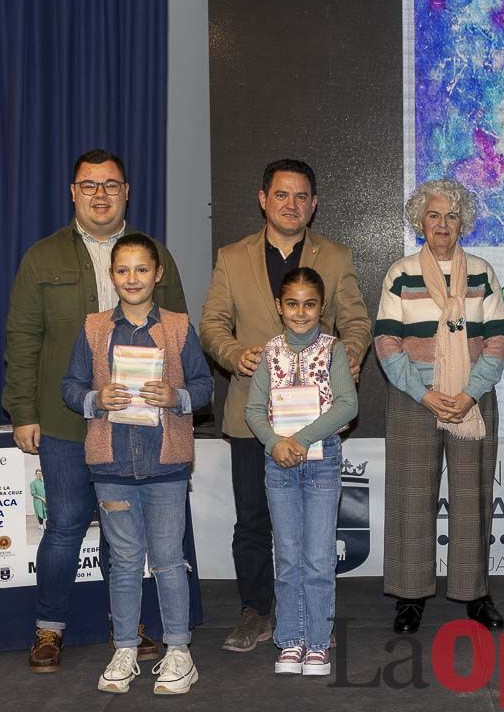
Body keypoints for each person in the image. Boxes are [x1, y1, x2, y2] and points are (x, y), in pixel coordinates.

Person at [4, 149, 187, 672]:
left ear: (127, 191)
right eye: (89, 185)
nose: (100, 194)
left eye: (111, 184)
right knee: (63, 525)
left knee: (124, 533)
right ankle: (48, 629)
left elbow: (177, 332)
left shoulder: (155, 254)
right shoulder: (42, 257)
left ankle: (125, 630)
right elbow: (22, 338)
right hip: (64, 420)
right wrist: (21, 411)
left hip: (135, 426)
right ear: (73, 192)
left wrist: (173, 404)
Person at [200, 159, 372, 653]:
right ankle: (256, 612)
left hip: (317, 420)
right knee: (253, 519)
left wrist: (350, 355)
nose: (291, 205)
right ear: (263, 199)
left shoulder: (336, 256)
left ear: (313, 204)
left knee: (311, 531)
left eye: (301, 197)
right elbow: (211, 323)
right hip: (253, 415)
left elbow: (357, 321)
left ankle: (311, 622)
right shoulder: (232, 257)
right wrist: (236, 355)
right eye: (281, 195)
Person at [61, 233, 213, 694]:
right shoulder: (93, 329)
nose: (132, 278)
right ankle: (125, 646)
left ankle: (179, 651)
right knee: (125, 562)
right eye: (123, 270)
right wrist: (95, 398)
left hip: (165, 466)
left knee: (169, 561)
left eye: (141, 269)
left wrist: (177, 397)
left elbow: (205, 385)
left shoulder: (180, 327)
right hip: (110, 466)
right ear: (112, 276)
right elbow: (70, 385)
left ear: (158, 274)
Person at [375, 180, 504, 634]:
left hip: (471, 400)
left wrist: (470, 392)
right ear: (420, 221)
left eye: (451, 217)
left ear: (463, 222)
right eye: (434, 216)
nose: (443, 225)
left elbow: (497, 340)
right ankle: (411, 596)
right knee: (412, 500)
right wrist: (426, 393)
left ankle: (474, 594)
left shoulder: (483, 273)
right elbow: (387, 341)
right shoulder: (401, 272)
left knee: (473, 500)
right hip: (416, 401)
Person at [245, 268, 359, 677]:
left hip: (322, 460)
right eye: (292, 303)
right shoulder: (270, 352)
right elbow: (254, 410)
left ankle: (317, 642)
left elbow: (347, 406)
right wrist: (276, 443)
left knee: (318, 558)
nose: (300, 312)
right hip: (278, 462)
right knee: (288, 556)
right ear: (279, 306)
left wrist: (304, 439)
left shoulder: (334, 350)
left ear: (321, 307)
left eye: (309, 304)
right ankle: (290, 640)